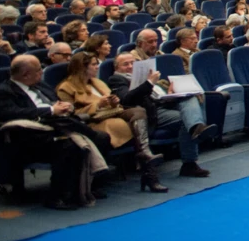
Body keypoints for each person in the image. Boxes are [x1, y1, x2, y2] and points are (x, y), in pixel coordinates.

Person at [0, 54, 109, 210]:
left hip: (56, 127)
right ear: (25, 75)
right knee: (68, 146)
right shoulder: (4, 91)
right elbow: (12, 113)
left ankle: (86, 186)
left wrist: (66, 107)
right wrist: (50, 110)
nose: (42, 72)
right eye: (38, 70)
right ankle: (56, 197)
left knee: (101, 137)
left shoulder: (41, 86)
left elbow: (57, 102)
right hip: (28, 137)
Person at [56, 51, 167, 193]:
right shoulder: (66, 87)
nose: (98, 67)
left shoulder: (97, 82)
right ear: (82, 67)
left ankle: (145, 153)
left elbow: (115, 103)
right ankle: (149, 172)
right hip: (94, 121)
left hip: (113, 113)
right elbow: (70, 115)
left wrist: (114, 101)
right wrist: (98, 105)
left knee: (139, 112)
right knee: (134, 128)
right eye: (94, 64)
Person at [107, 52, 213, 178]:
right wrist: (149, 83)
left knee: (190, 98)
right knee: (188, 119)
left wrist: (169, 95)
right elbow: (127, 100)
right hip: (149, 113)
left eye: (133, 63)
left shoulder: (144, 75)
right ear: (117, 67)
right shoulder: (117, 79)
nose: (130, 66)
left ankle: (197, 127)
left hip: (163, 104)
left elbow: (156, 95)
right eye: (126, 64)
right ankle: (190, 162)